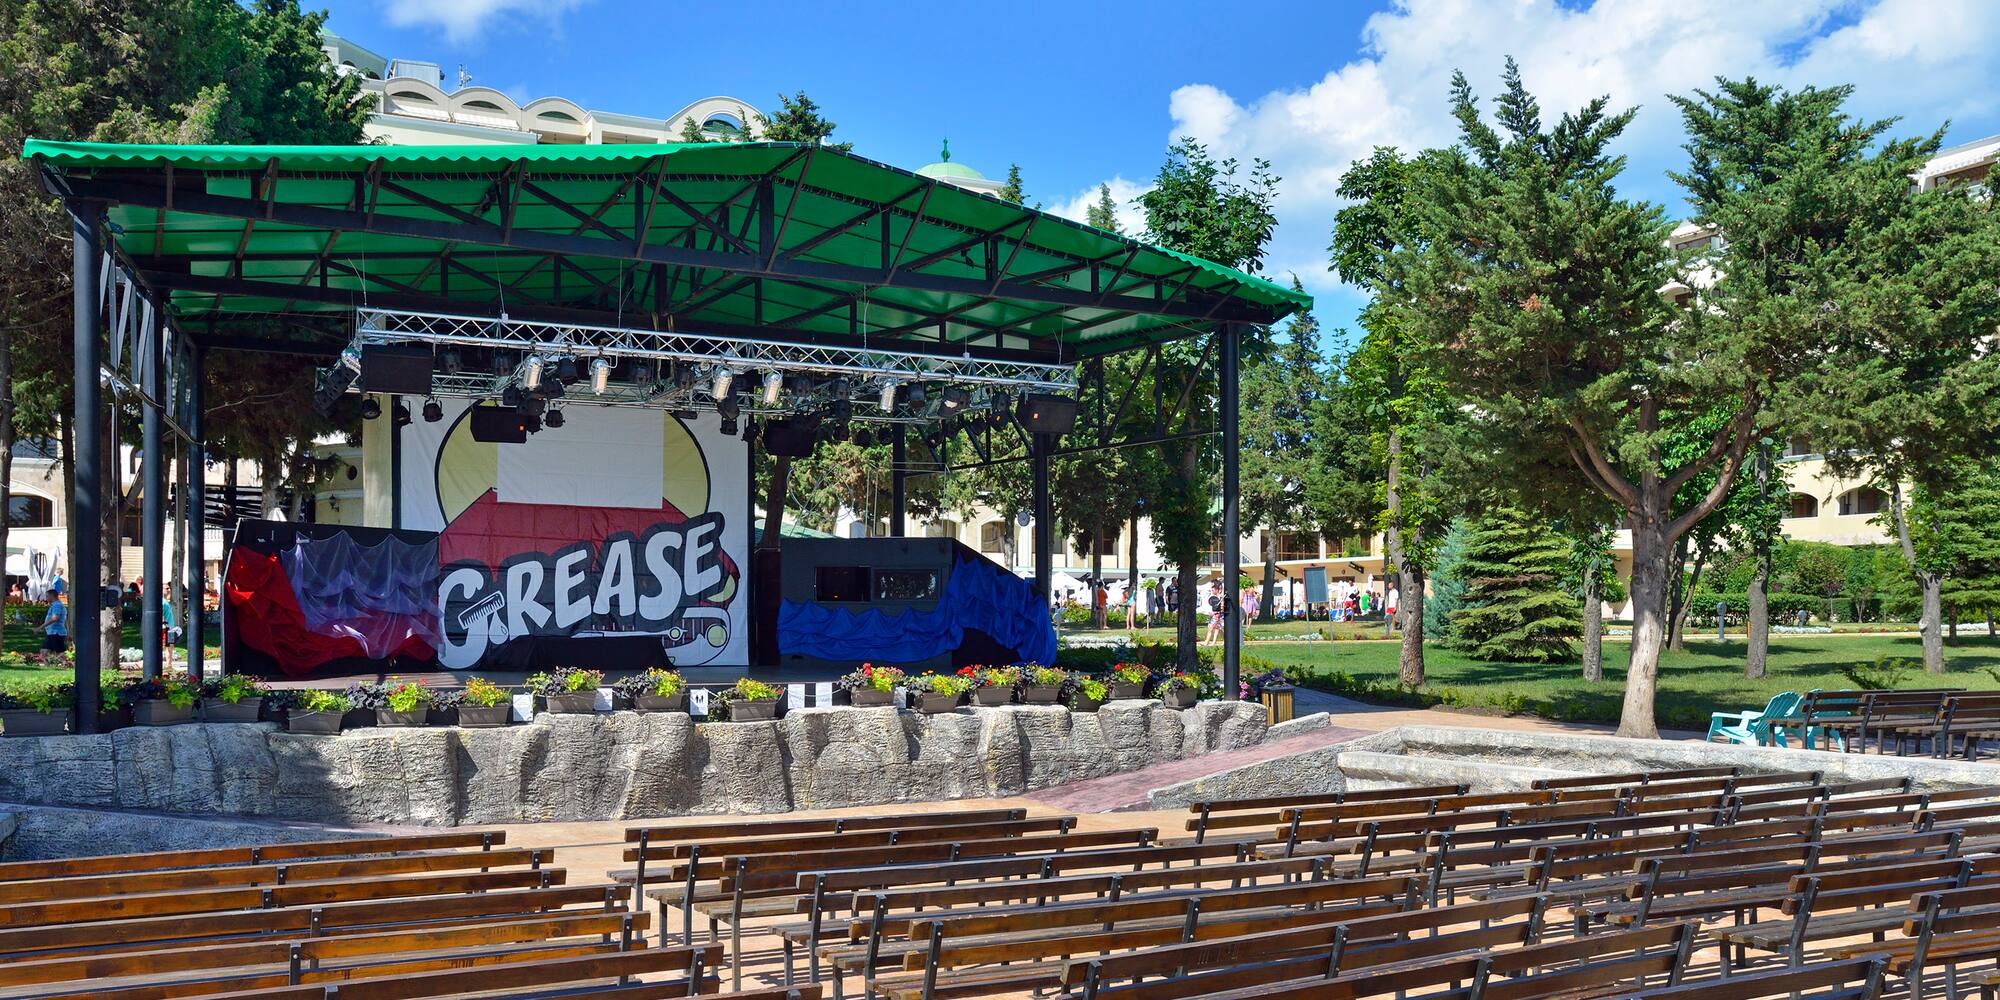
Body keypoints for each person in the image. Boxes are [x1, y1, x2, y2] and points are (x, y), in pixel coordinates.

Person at [35, 592, 67, 663]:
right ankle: (48, 666)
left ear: (52, 596)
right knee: (44, 651)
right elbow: (64, 621)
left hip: (56, 632)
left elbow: (55, 618)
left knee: (59, 652)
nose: (46, 598)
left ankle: (66, 664)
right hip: (52, 632)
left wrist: (40, 627)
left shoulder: (57, 606)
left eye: (47, 596)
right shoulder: (55, 605)